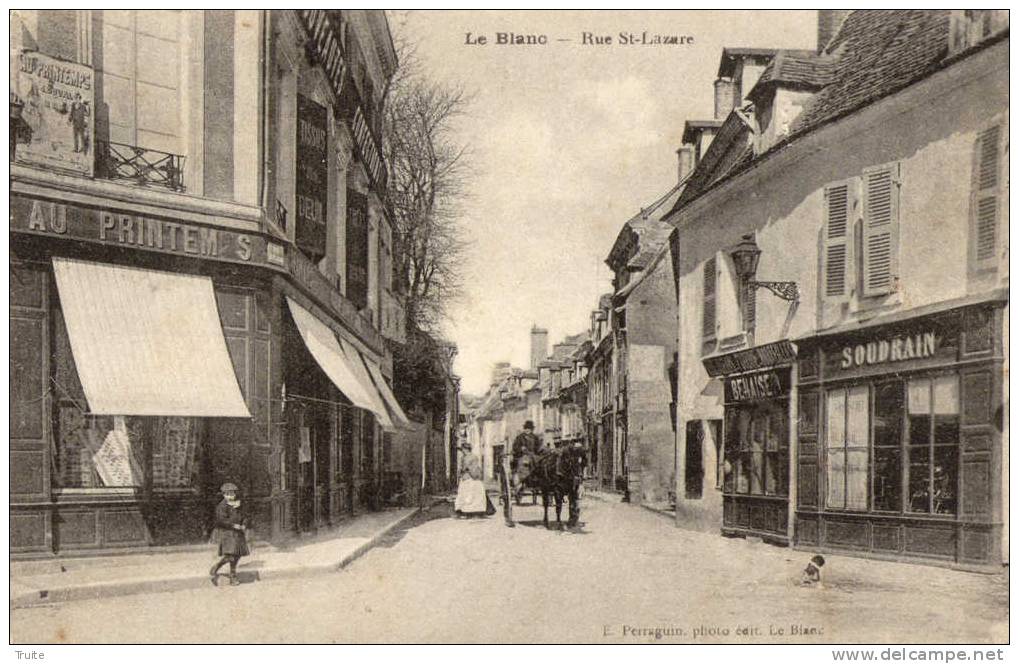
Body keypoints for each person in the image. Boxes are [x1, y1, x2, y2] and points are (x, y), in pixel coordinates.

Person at [209, 482, 249, 586]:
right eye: (228, 494)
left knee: (238, 555)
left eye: (232, 494)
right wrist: (233, 525)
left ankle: (230, 574)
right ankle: (222, 569)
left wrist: (244, 524)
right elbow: (221, 520)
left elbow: (244, 515)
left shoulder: (238, 504)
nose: (230, 496)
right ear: (223, 495)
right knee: (230, 555)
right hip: (228, 533)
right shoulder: (222, 506)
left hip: (238, 533)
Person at [453, 443, 490, 518]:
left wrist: (462, 471)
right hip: (472, 477)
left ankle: (466, 511)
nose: (462, 451)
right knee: (473, 495)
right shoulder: (471, 456)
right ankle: (473, 511)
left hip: (469, 477)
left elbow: (466, 467)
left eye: (462, 449)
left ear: (465, 449)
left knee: (467, 494)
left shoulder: (468, 457)